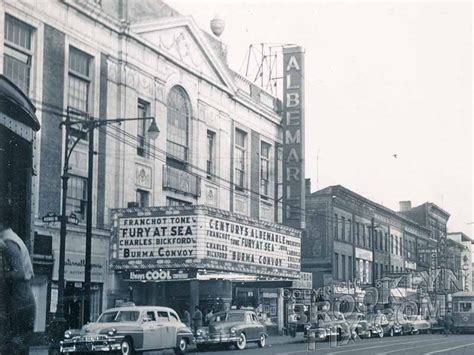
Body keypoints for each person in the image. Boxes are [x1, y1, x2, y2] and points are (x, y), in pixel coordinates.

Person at [0, 224, 36, 355]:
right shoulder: (10, 239)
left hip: (18, 302)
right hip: (22, 300)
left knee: (13, 346)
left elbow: (19, 273)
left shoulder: (8, 242)